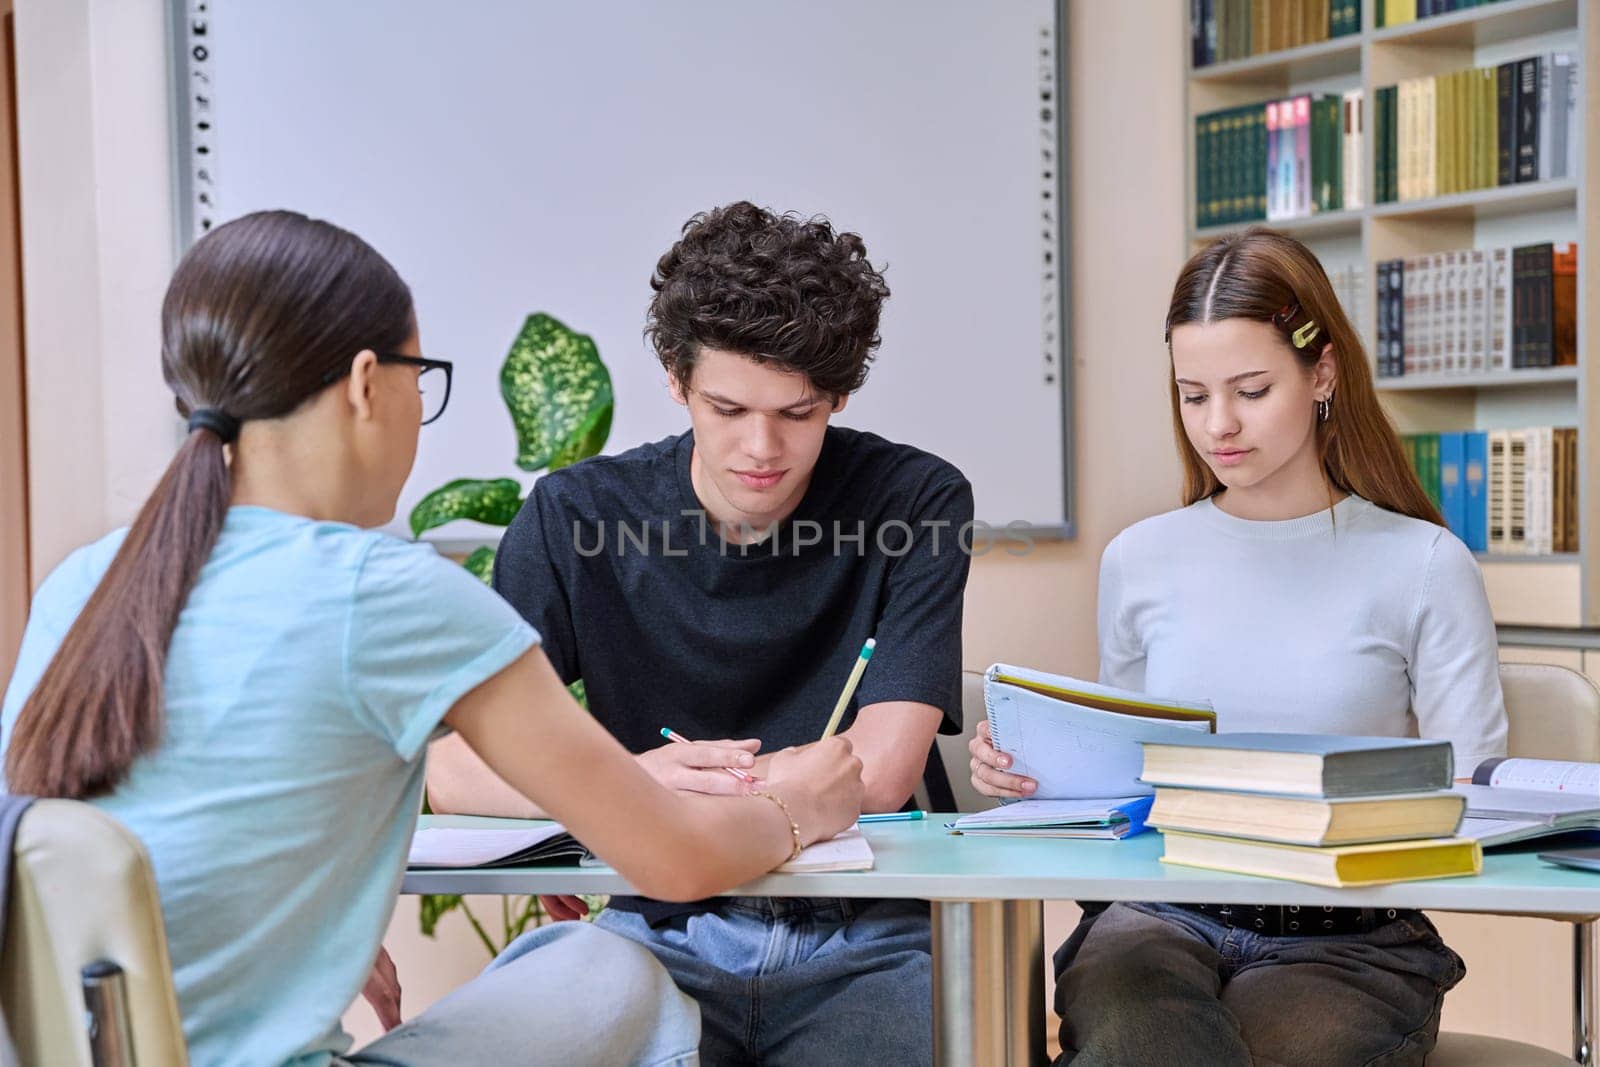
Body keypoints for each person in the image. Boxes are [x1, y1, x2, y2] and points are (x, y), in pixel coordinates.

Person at [0, 210, 866, 1067]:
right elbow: (674, 857)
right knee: (607, 968)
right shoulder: (386, 593)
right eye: (424, 376)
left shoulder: (90, 579)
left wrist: (296, 945)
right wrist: (796, 810)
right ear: (367, 382)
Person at [426, 201, 974, 1065]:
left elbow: (881, 772)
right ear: (677, 382)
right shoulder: (575, 518)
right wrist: (632, 785)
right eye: (727, 408)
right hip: (653, 923)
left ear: (835, 393)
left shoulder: (914, 503)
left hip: (864, 934)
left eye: (798, 413)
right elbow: (451, 771)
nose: (763, 447)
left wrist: (628, 800)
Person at [968, 226, 1508, 1066]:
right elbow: (1128, 784)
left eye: (1252, 389)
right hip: (1160, 919)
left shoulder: (1425, 565)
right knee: (1143, 1040)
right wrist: (1032, 776)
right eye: (1193, 394)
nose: (1218, 424)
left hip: (1352, 939)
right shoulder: (1139, 558)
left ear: (1321, 372)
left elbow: (1473, 802)